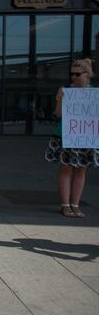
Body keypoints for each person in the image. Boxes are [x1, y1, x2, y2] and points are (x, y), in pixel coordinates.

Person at [47, 58, 96, 218]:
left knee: (81, 170)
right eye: (71, 74)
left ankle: (76, 204)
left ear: (87, 75)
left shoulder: (94, 92)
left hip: (86, 134)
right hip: (66, 134)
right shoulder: (66, 90)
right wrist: (59, 100)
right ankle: (65, 205)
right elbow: (58, 114)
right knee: (66, 169)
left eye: (77, 74)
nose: (73, 77)